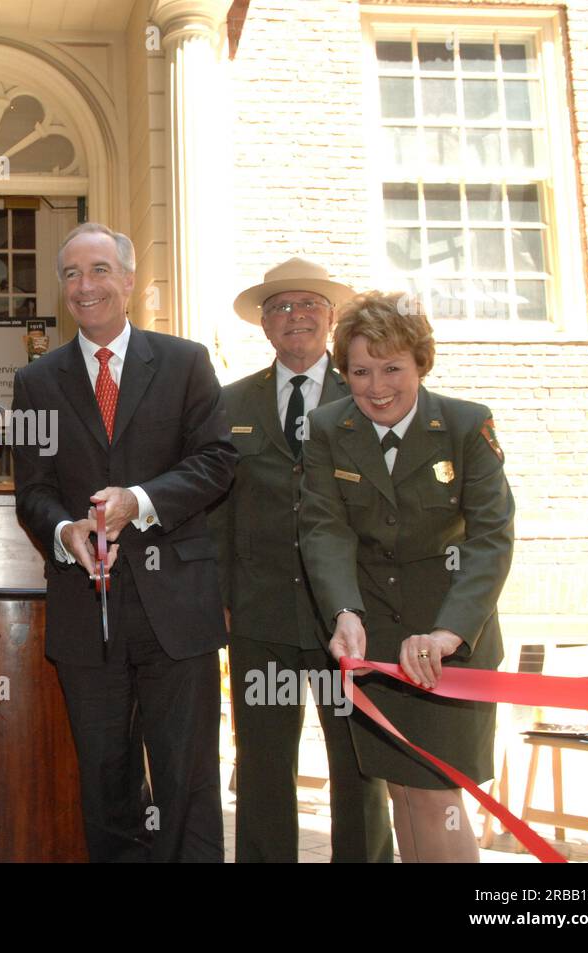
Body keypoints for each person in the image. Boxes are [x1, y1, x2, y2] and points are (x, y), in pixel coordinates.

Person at [11, 222, 235, 862]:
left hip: (178, 610)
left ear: (130, 282)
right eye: (72, 275)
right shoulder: (37, 382)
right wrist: (63, 530)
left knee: (186, 778)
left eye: (100, 270)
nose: (86, 286)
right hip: (89, 608)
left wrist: (139, 501)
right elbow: (33, 489)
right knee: (106, 782)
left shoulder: (185, 361)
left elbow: (217, 461)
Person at [298, 290, 514, 863]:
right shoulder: (327, 427)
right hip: (378, 644)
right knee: (402, 791)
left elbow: (490, 541)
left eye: (392, 368)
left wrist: (449, 634)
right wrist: (344, 612)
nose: (376, 387)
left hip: (451, 643)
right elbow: (325, 529)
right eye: (361, 371)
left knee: (439, 794)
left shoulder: (467, 426)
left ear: (421, 361)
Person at [213, 259, 393, 862]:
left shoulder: (366, 394)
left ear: (330, 318)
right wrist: (222, 598)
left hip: (347, 619)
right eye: (282, 308)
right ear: (264, 325)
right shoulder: (229, 402)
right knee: (262, 768)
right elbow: (216, 509)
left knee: (358, 768)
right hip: (260, 619)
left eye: (309, 305)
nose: (296, 317)